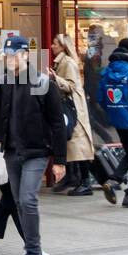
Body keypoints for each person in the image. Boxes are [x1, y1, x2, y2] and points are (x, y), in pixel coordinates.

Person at [0, 34, 66, 255]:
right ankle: (31, 251)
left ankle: (33, 252)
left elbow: (57, 123)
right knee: (18, 201)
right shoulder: (2, 83)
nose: (9, 59)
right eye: (6, 55)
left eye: (14, 54)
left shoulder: (42, 82)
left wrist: (59, 160)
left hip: (36, 153)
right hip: (11, 153)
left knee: (27, 199)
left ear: (25, 55)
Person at [50, 34, 94, 196]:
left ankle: (85, 182)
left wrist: (56, 79)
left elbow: (73, 86)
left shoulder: (67, 63)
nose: (52, 45)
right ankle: (72, 178)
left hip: (73, 110)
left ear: (62, 46)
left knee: (78, 146)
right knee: (69, 144)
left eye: (55, 43)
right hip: (68, 109)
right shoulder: (61, 62)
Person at [97, 37, 128, 207]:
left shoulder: (107, 71)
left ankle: (113, 181)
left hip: (117, 119)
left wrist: (115, 111)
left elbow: (100, 99)